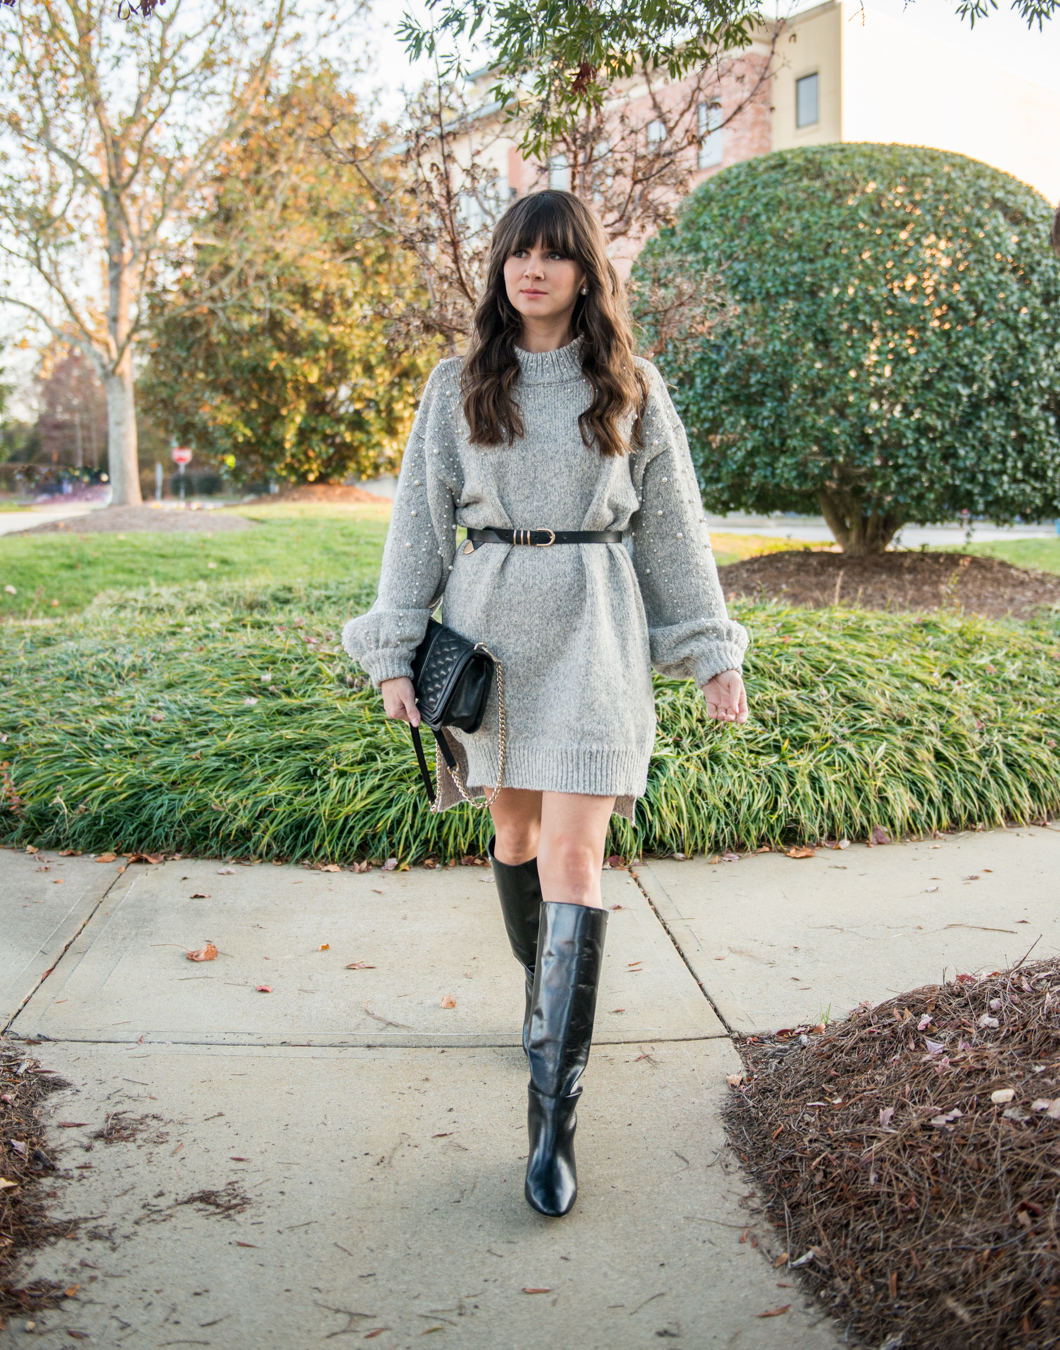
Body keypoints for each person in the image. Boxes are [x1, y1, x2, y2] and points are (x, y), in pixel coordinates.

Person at [343, 189, 749, 1218]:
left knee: (577, 854)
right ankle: (545, 1000)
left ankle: (550, 1122)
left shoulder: (632, 386)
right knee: (514, 836)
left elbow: (673, 534)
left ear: (583, 271)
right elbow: (417, 528)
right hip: (490, 630)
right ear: (500, 269)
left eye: (553, 254)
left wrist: (711, 652)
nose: (532, 268)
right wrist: (395, 648)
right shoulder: (458, 385)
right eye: (516, 252)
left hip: (597, 630)